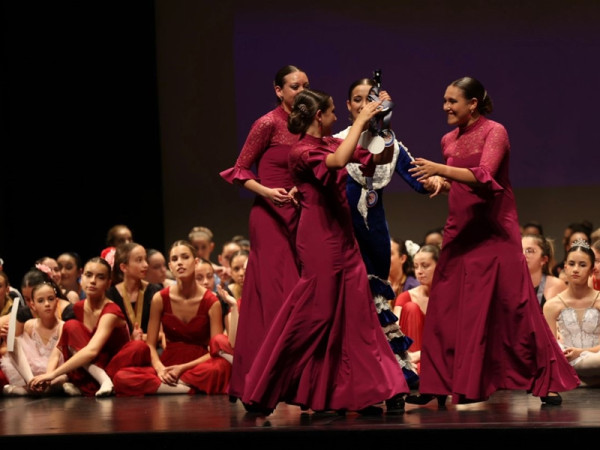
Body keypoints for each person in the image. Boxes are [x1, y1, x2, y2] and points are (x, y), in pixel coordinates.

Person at [405, 76, 579, 407]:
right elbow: (456, 181)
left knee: (515, 307)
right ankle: (437, 384)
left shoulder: (494, 131)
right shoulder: (447, 139)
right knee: (447, 306)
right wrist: (439, 183)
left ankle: (544, 380)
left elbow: (485, 175)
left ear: (473, 103)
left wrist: (441, 169)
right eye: (444, 100)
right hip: (461, 230)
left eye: (452, 101)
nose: (445, 106)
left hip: (495, 230)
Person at [240, 88, 408, 416]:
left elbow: (374, 160)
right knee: (313, 316)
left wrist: (383, 128)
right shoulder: (302, 150)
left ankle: (375, 388)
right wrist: (361, 118)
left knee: (357, 316)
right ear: (319, 116)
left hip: (342, 236)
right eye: (332, 112)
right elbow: (340, 160)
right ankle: (263, 387)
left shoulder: (329, 142)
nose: (335, 117)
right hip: (319, 240)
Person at [334, 77, 437, 388]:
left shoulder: (391, 143)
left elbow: (420, 181)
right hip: (343, 238)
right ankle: (352, 381)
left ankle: (387, 378)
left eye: (371, 99)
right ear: (348, 106)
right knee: (349, 308)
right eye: (357, 99)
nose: (364, 104)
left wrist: (439, 181)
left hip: (376, 237)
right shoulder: (335, 142)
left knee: (376, 305)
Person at [219, 65, 309, 402]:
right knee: (275, 296)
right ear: (279, 90)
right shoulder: (267, 123)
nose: (301, 91)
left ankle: (295, 382)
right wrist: (268, 191)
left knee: (299, 296)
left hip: (301, 216)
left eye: (306, 85)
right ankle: (265, 381)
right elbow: (240, 170)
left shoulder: (309, 124)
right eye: (295, 86)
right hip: (270, 216)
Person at [112, 240, 233, 396]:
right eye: (175, 259)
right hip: (168, 362)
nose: (180, 263)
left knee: (220, 367)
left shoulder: (212, 302)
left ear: (195, 262)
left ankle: (174, 386)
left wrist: (182, 368)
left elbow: (215, 351)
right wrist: (160, 368)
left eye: (185, 257)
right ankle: (187, 388)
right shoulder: (159, 298)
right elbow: (149, 345)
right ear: (170, 266)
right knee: (122, 377)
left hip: (198, 365)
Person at [27, 257, 149, 397]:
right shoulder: (78, 307)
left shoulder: (111, 311)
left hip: (115, 364)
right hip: (92, 366)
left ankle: (100, 382)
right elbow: (60, 346)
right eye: (88, 275)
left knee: (136, 349)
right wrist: (48, 375)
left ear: (108, 283)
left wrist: (55, 374)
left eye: (100, 277)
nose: (92, 281)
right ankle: (90, 382)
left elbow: (92, 351)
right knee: (70, 326)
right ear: (82, 277)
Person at [543, 239, 600, 387]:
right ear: (565, 267)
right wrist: (571, 354)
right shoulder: (552, 305)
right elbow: (551, 346)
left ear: (592, 269)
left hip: (595, 356)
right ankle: (577, 378)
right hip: (568, 360)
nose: (576, 269)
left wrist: (581, 352)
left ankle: (578, 380)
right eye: (572, 264)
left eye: (582, 265)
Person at [1, 281, 69, 396]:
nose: (47, 304)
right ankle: (31, 383)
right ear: (33, 305)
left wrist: (47, 376)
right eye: (41, 301)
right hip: (33, 370)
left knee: (64, 377)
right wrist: (8, 337)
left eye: (51, 299)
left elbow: (56, 355)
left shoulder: (62, 326)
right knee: (15, 343)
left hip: (54, 369)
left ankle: (31, 390)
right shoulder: (29, 325)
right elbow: (17, 351)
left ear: (57, 301)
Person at [392, 244, 440, 374]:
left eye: (425, 266)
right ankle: (414, 370)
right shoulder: (406, 297)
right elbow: (394, 334)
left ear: (440, 266)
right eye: (416, 266)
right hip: (411, 359)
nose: (419, 271)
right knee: (410, 308)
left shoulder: (450, 297)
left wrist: (423, 354)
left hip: (438, 356)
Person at [106, 242, 163, 343]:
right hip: (124, 350)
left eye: (145, 259)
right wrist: (130, 339)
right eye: (139, 260)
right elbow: (109, 337)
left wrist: (143, 338)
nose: (145, 265)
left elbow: (162, 334)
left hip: (151, 348)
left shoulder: (155, 291)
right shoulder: (110, 295)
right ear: (124, 267)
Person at [522, 234, 567, 308]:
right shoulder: (509, 284)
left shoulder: (557, 285)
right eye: (520, 250)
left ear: (544, 259)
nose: (523, 254)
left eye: (529, 251)